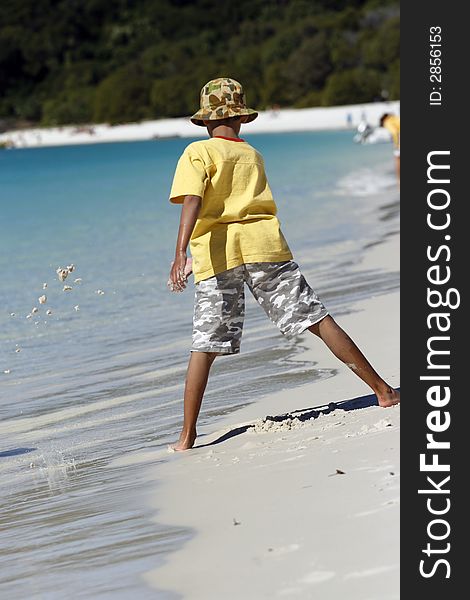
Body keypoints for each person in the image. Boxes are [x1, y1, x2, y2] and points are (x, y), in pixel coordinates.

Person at [168, 77, 400, 451]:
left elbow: (194, 201)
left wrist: (181, 253)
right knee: (317, 319)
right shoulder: (252, 155)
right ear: (241, 119)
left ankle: (187, 435)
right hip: (265, 246)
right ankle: (383, 391)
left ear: (206, 120)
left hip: (217, 253)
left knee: (205, 345)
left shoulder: (197, 153)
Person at [380, 113, 400, 182]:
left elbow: (394, 132)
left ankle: (399, 180)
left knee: (397, 159)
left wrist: (396, 145)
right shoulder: (394, 118)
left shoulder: (387, 122)